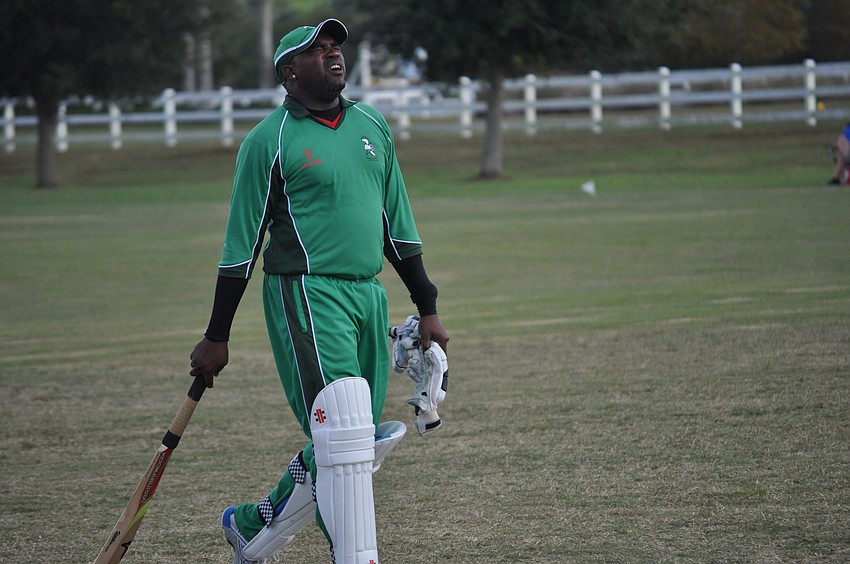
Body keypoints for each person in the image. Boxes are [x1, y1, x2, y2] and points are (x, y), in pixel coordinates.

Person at [188, 18, 449, 564]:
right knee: (347, 435)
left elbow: (396, 227)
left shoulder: (372, 126)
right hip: (305, 293)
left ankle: (252, 524)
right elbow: (241, 246)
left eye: (336, 48)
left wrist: (426, 307)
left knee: (351, 441)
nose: (333, 56)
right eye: (318, 51)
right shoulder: (269, 141)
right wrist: (217, 335)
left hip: (367, 296)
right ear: (289, 72)